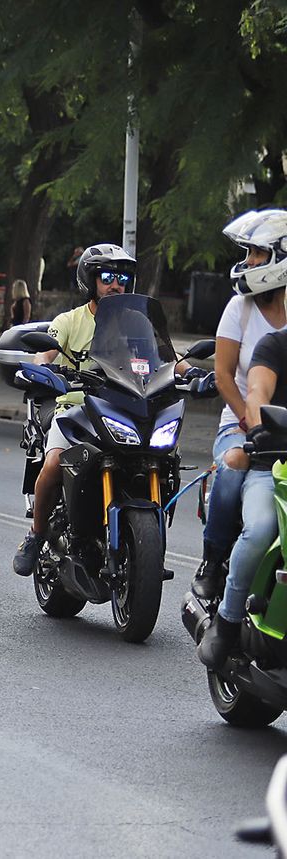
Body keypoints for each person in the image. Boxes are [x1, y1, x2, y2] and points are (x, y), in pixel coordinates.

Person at [12, 244, 138, 575]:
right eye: (108, 277)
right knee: (54, 462)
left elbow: (165, 358)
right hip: (76, 410)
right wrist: (41, 370)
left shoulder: (135, 324)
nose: (116, 284)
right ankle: (36, 535)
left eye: (122, 278)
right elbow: (46, 353)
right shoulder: (70, 321)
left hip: (122, 410)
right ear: (90, 281)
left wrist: (189, 373)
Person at [193, 210, 287, 601]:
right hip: (240, 423)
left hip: (283, 428)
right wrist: (250, 422)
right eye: (247, 253)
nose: (247, 262)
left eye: (256, 254)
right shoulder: (239, 308)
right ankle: (213, 560)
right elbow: (224, 376)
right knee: (233, 464)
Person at [200, 311, 287, 665]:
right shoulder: (275, 345)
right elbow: (256, 394)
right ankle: (228, 621)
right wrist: (258, 426)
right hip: (275, 468)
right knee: (262, 529)